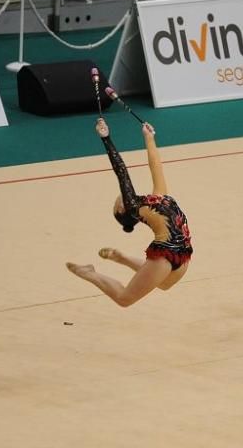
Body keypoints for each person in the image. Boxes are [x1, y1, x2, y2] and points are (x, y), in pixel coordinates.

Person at [66, 118, 193, 307]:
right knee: (124, 299)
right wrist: (106, 138)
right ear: (121, 209)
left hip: (182, 252)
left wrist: (149, 138)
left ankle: (121, 257)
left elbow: (156, 166)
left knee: (164, 285)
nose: (118, 198)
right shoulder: (133, 205)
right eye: (116, 203)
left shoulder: (157, 197)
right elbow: (121, 170)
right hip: (166, 253)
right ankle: (88, 272)